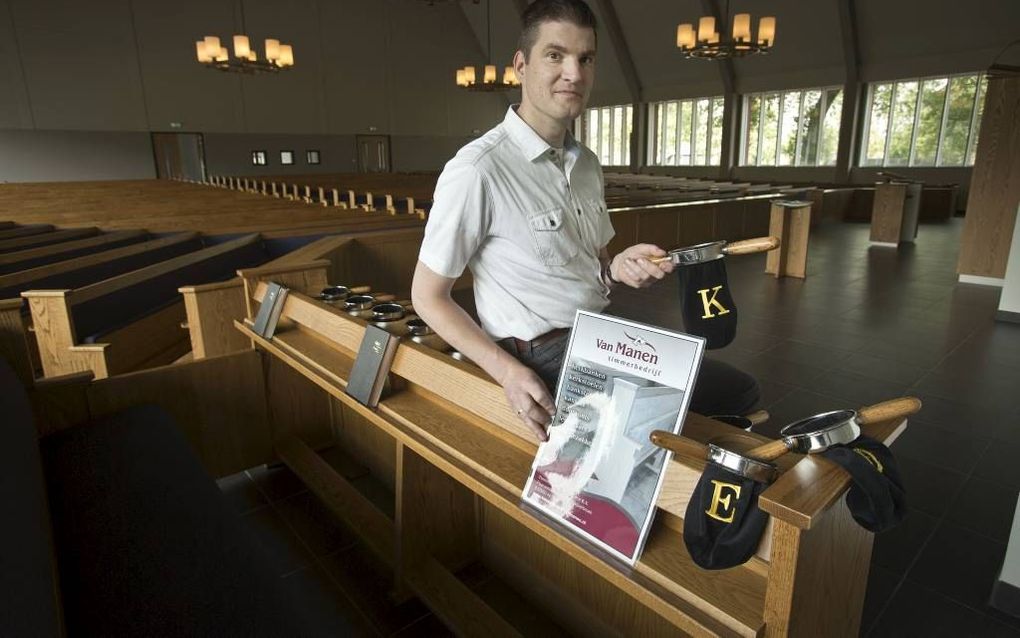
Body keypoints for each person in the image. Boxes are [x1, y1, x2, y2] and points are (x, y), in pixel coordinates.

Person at [412, 0, 758, 442]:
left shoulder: (587, 164)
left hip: (600, 337)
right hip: (542, 355)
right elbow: (427, 297)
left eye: (586, 58)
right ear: (522, 65)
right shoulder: (478, 169)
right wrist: (508, 374)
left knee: (733, 388)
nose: (574, 74)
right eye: (555, 55)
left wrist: (619, 267)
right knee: (721, 401)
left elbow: (597, 267)